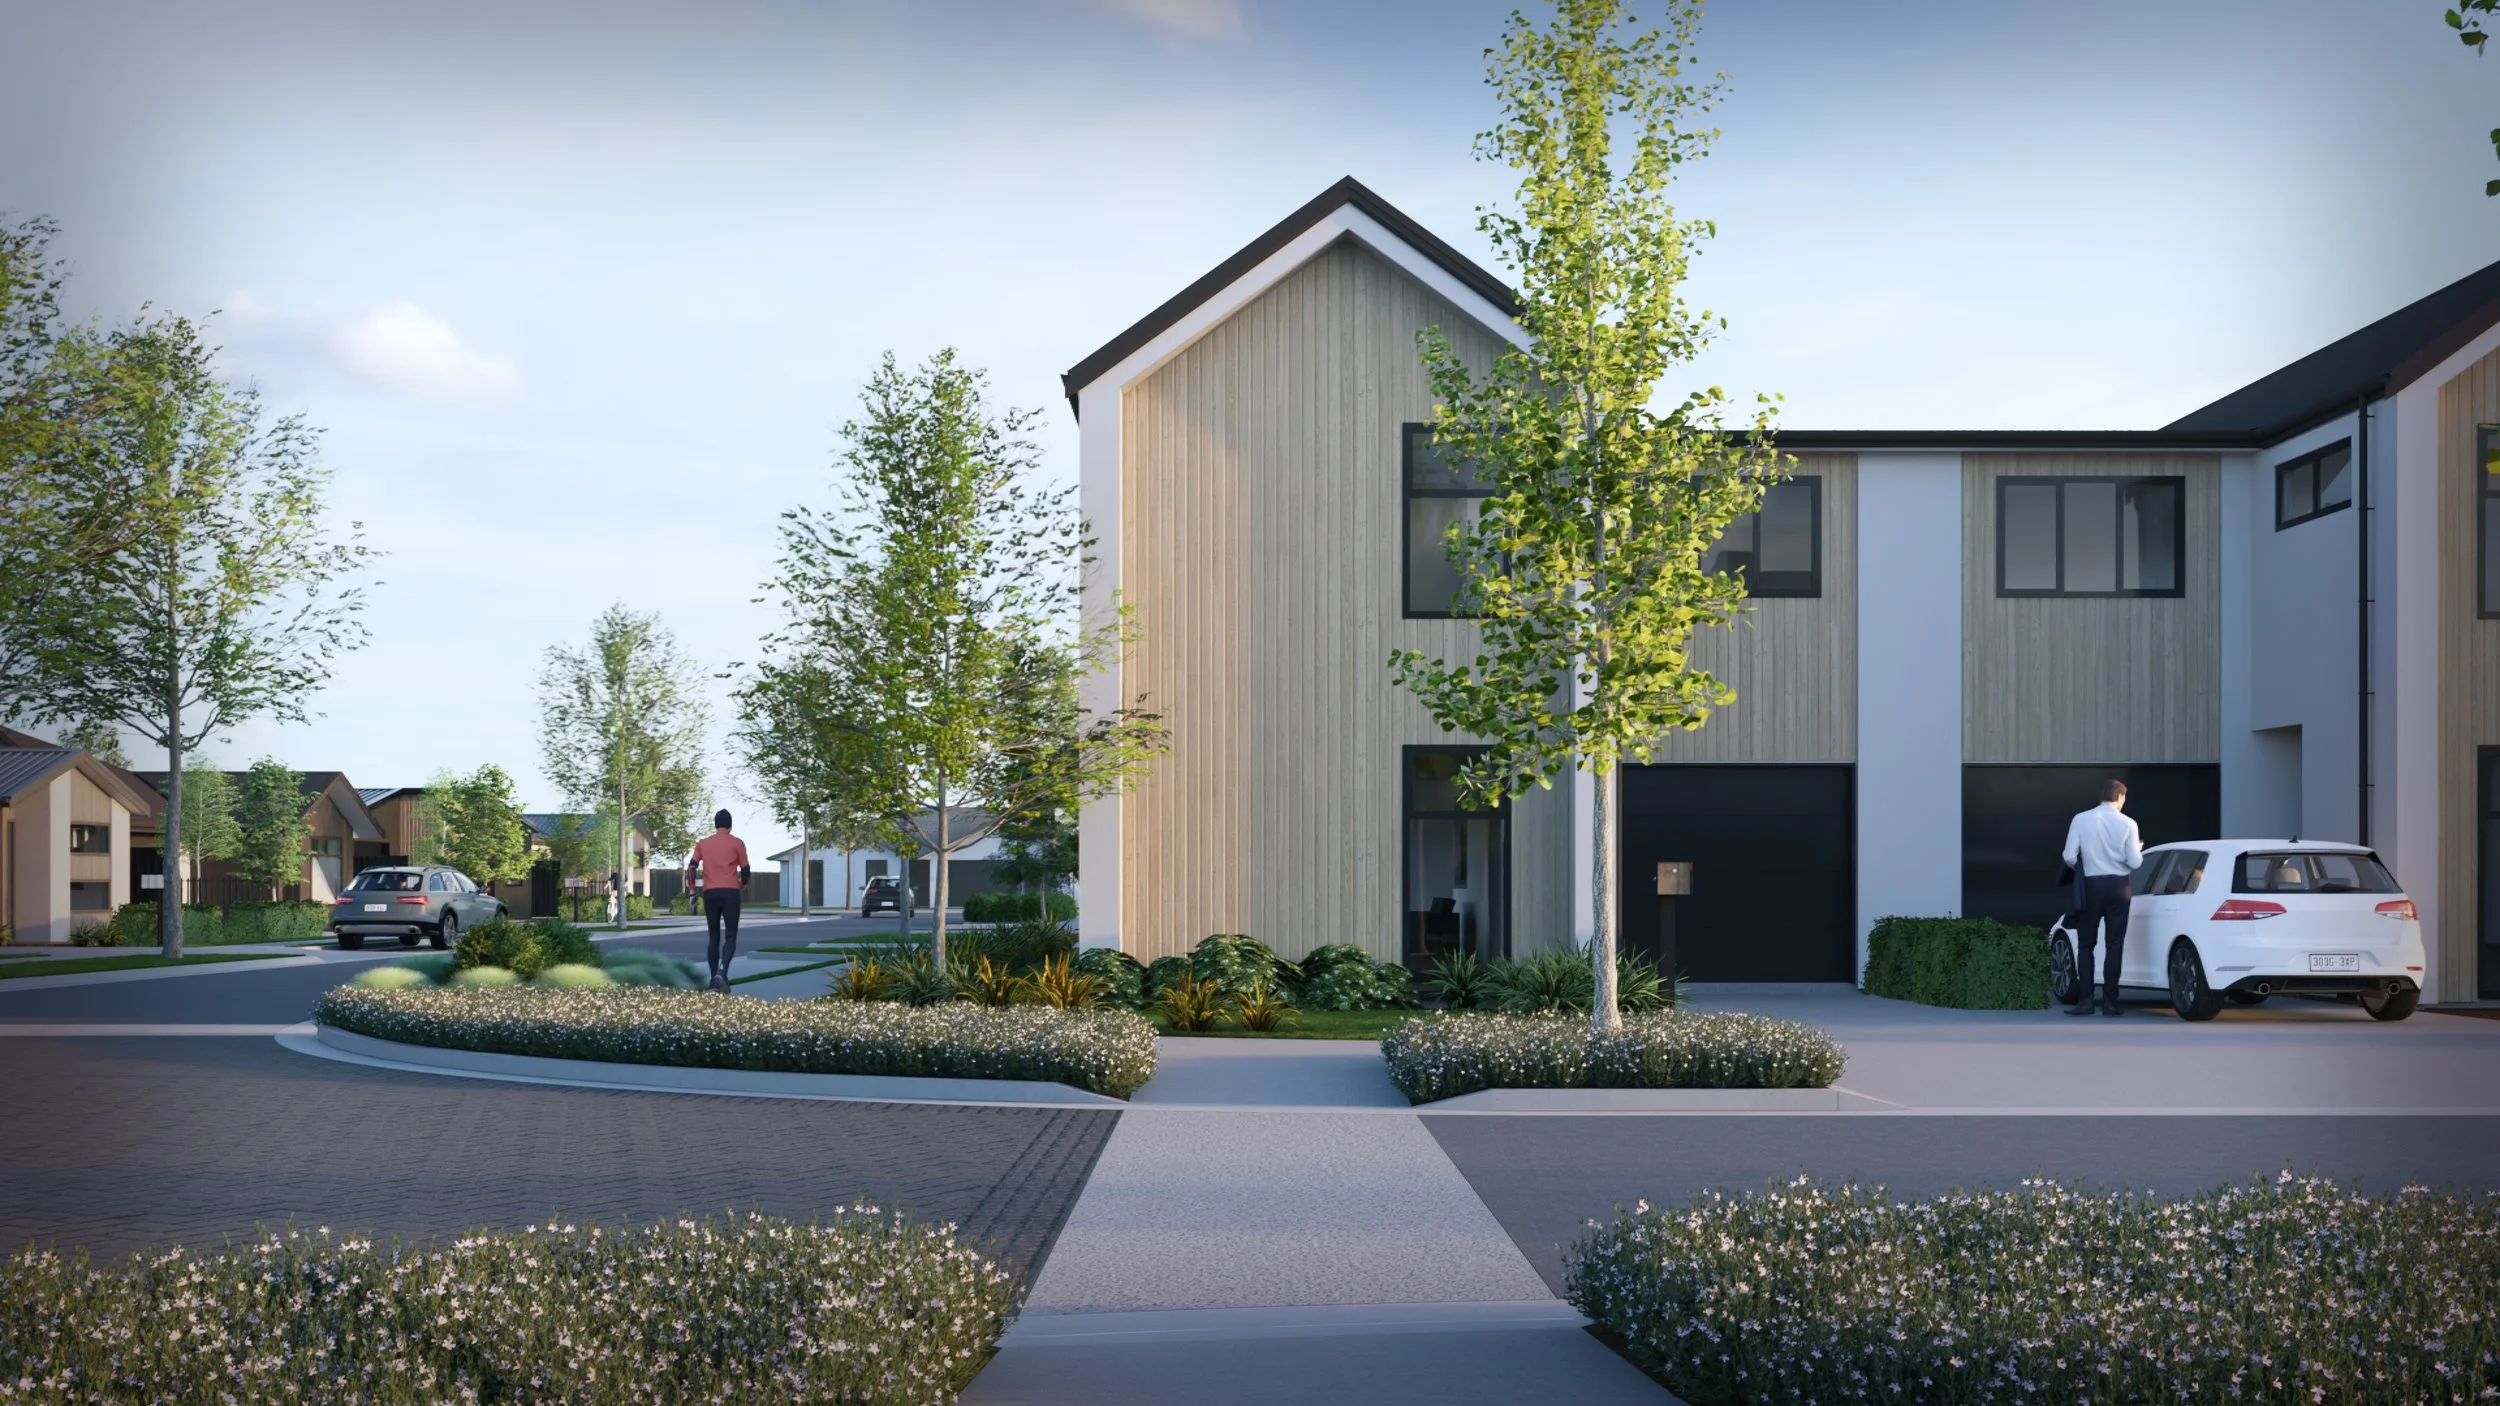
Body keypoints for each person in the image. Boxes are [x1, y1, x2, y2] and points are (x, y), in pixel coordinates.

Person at [2061, 779, 2143, 1018]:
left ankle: (2086, 1002)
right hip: (2119, 887)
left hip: (2090, 886)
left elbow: (2068, 856)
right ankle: (2110, 1003)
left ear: (2102, 796)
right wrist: (2136, 848)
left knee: (2086, 945)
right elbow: (2135, 862)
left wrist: (2087, 865)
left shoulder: (2081, 819)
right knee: (2114, 945)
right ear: (2120, 797)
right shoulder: (2128, 823)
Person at [687, 810, 751, 994]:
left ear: (715, 825)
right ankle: (722, 972)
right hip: (731, 891)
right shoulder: (737, 843)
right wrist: (742, 884)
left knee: (713, 937)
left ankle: (714, 980)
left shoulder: (703, 844)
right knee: (730, 935)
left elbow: (691, 868)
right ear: (730, 826)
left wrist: (692, 892)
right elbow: (746, 869)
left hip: (710, 893)